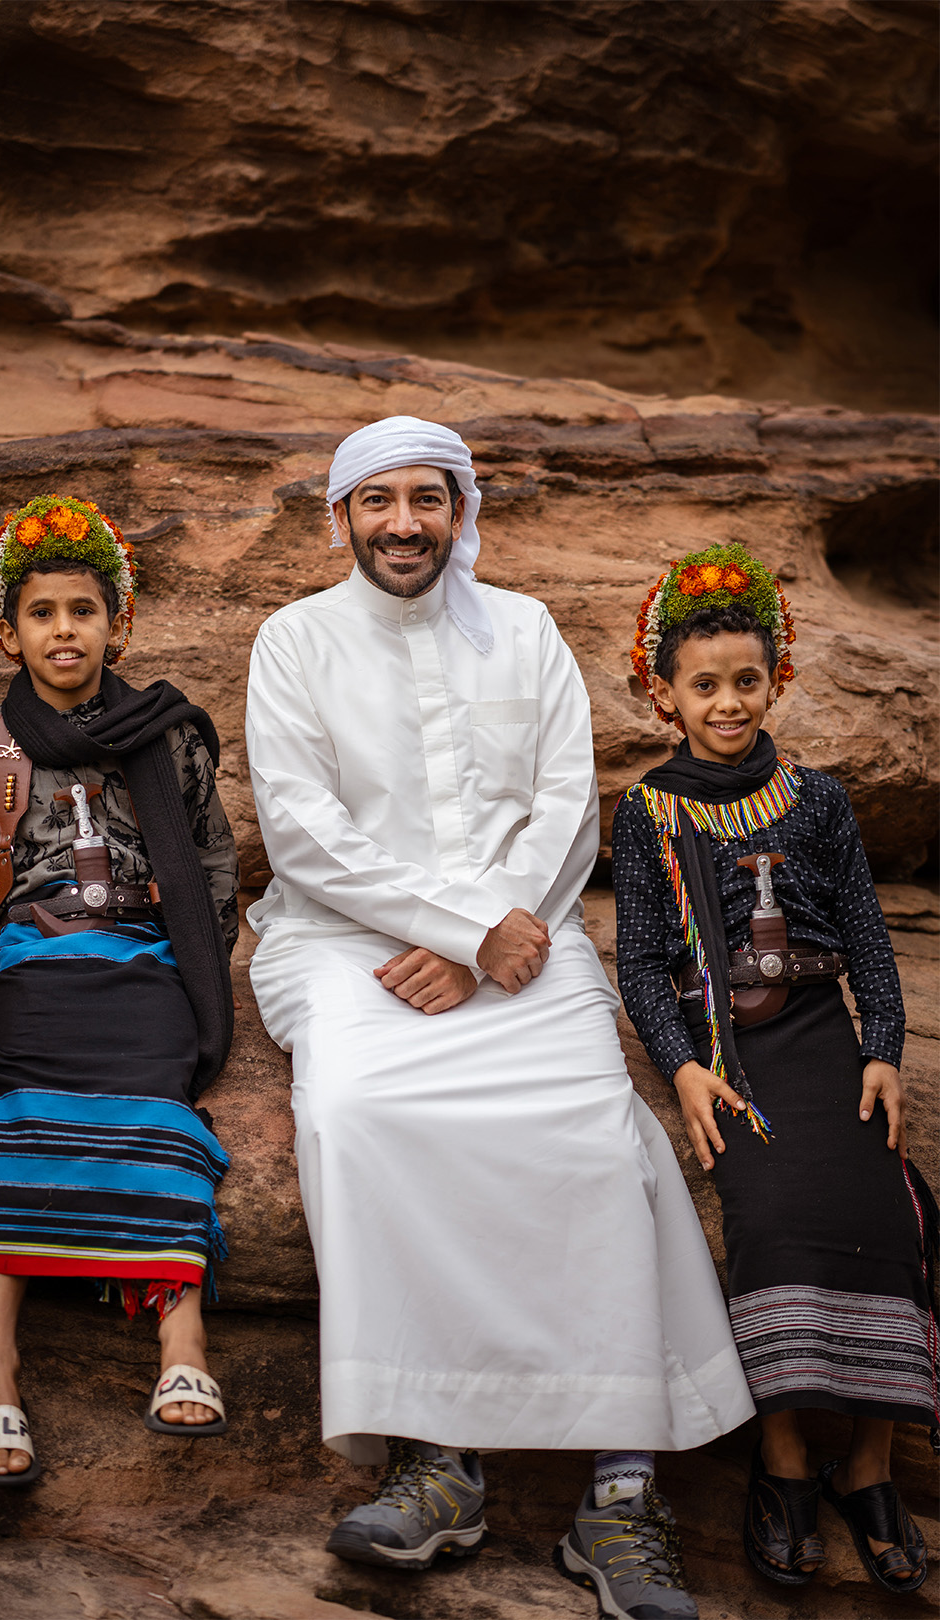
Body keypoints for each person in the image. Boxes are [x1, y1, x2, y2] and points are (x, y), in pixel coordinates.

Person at [244, 416, 755, 1618]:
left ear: (462, 511)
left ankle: (619, 1497)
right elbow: (305, 831)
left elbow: (568, 800)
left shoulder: (522, 629)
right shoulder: (294, 640)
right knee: (360, 1115)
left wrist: (495, 936)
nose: (405, 523)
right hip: (346, 943)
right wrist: (455, 934)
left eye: (428, 498)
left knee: (593, 1130)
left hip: (523, 939)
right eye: (379, 503)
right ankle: (437, 1465)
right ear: (342, 519)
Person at [0, 494, 239, 1486]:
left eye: (83, 610)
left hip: (146, 963)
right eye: (43, 613)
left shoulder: (166, 735)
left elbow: (211, 863)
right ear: (9, 627)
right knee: (13, 1106)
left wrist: (209, 982)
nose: (64, 630)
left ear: (116, 621)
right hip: (38, 963)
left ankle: (182, 1342)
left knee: (160, 1104)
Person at [612, 542, 937, 1597]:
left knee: (888, 1211)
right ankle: (788, 1452)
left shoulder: (818, 801)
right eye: (703, 685)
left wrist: (882, 1048)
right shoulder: (650, 812)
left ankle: (869, 1464)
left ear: (777, 677)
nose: (728, 702)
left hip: (820, 1037)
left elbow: (866, 937)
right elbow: (646, 967)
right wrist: (683, 1070)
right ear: (664, 693)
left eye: (746, 680)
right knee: (773, 1215)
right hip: (731, 1049)